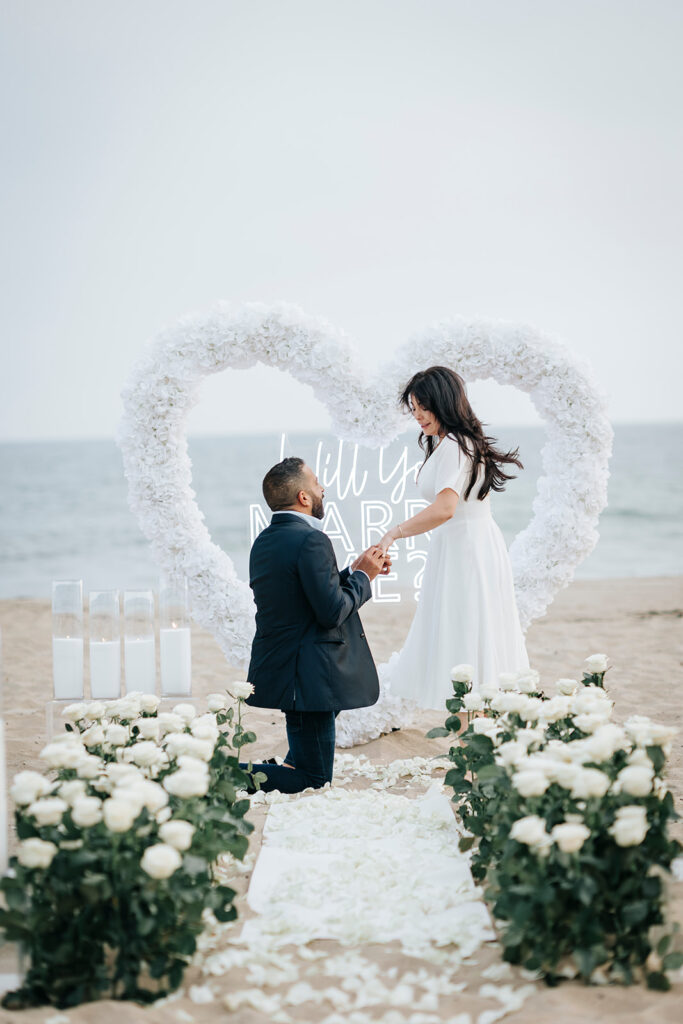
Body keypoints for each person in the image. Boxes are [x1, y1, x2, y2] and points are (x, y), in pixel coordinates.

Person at [335, 365, 529, 745]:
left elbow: (444, 509)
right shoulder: (452, 443)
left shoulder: (455, 445)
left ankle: (470, 737)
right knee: (466, 634)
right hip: (463, 545)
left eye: (423, 406)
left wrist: (394, 533)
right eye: (413, 408)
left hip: (467, 548)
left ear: (444, 401)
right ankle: (473, 735)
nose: (418, 415)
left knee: (465, 634)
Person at [241, 456, 390, 792]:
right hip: (311, 678)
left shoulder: (264, 541)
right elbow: (331, 612)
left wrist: (354, 571)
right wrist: (365, 577)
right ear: (304, 497)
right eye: (317, 483)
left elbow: (303, 598)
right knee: (312, 778)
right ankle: (218, 772)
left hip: (288, 671)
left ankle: (281, 765)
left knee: (302, 764)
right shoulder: (312, 540)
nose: (323, 488)